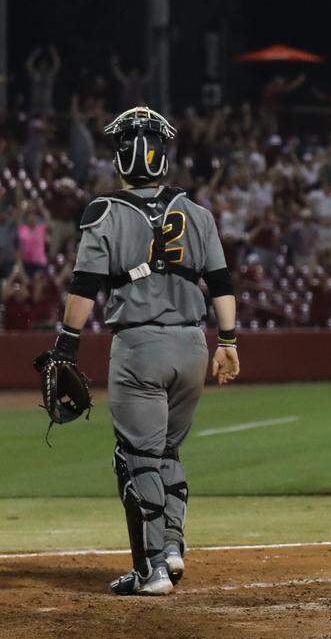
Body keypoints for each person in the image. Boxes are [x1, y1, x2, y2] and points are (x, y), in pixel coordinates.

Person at [42, 106, 239, 595]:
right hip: (194, 345)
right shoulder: (198, 212)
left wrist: (65, 348)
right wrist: (228, 342)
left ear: (121, 160)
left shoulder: (103, 213)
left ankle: (150, 569)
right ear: (163, 158)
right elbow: (221, 284)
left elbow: (84, 288)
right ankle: (172, 548)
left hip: (139, 348)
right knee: (168, 451)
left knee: (136, 458)